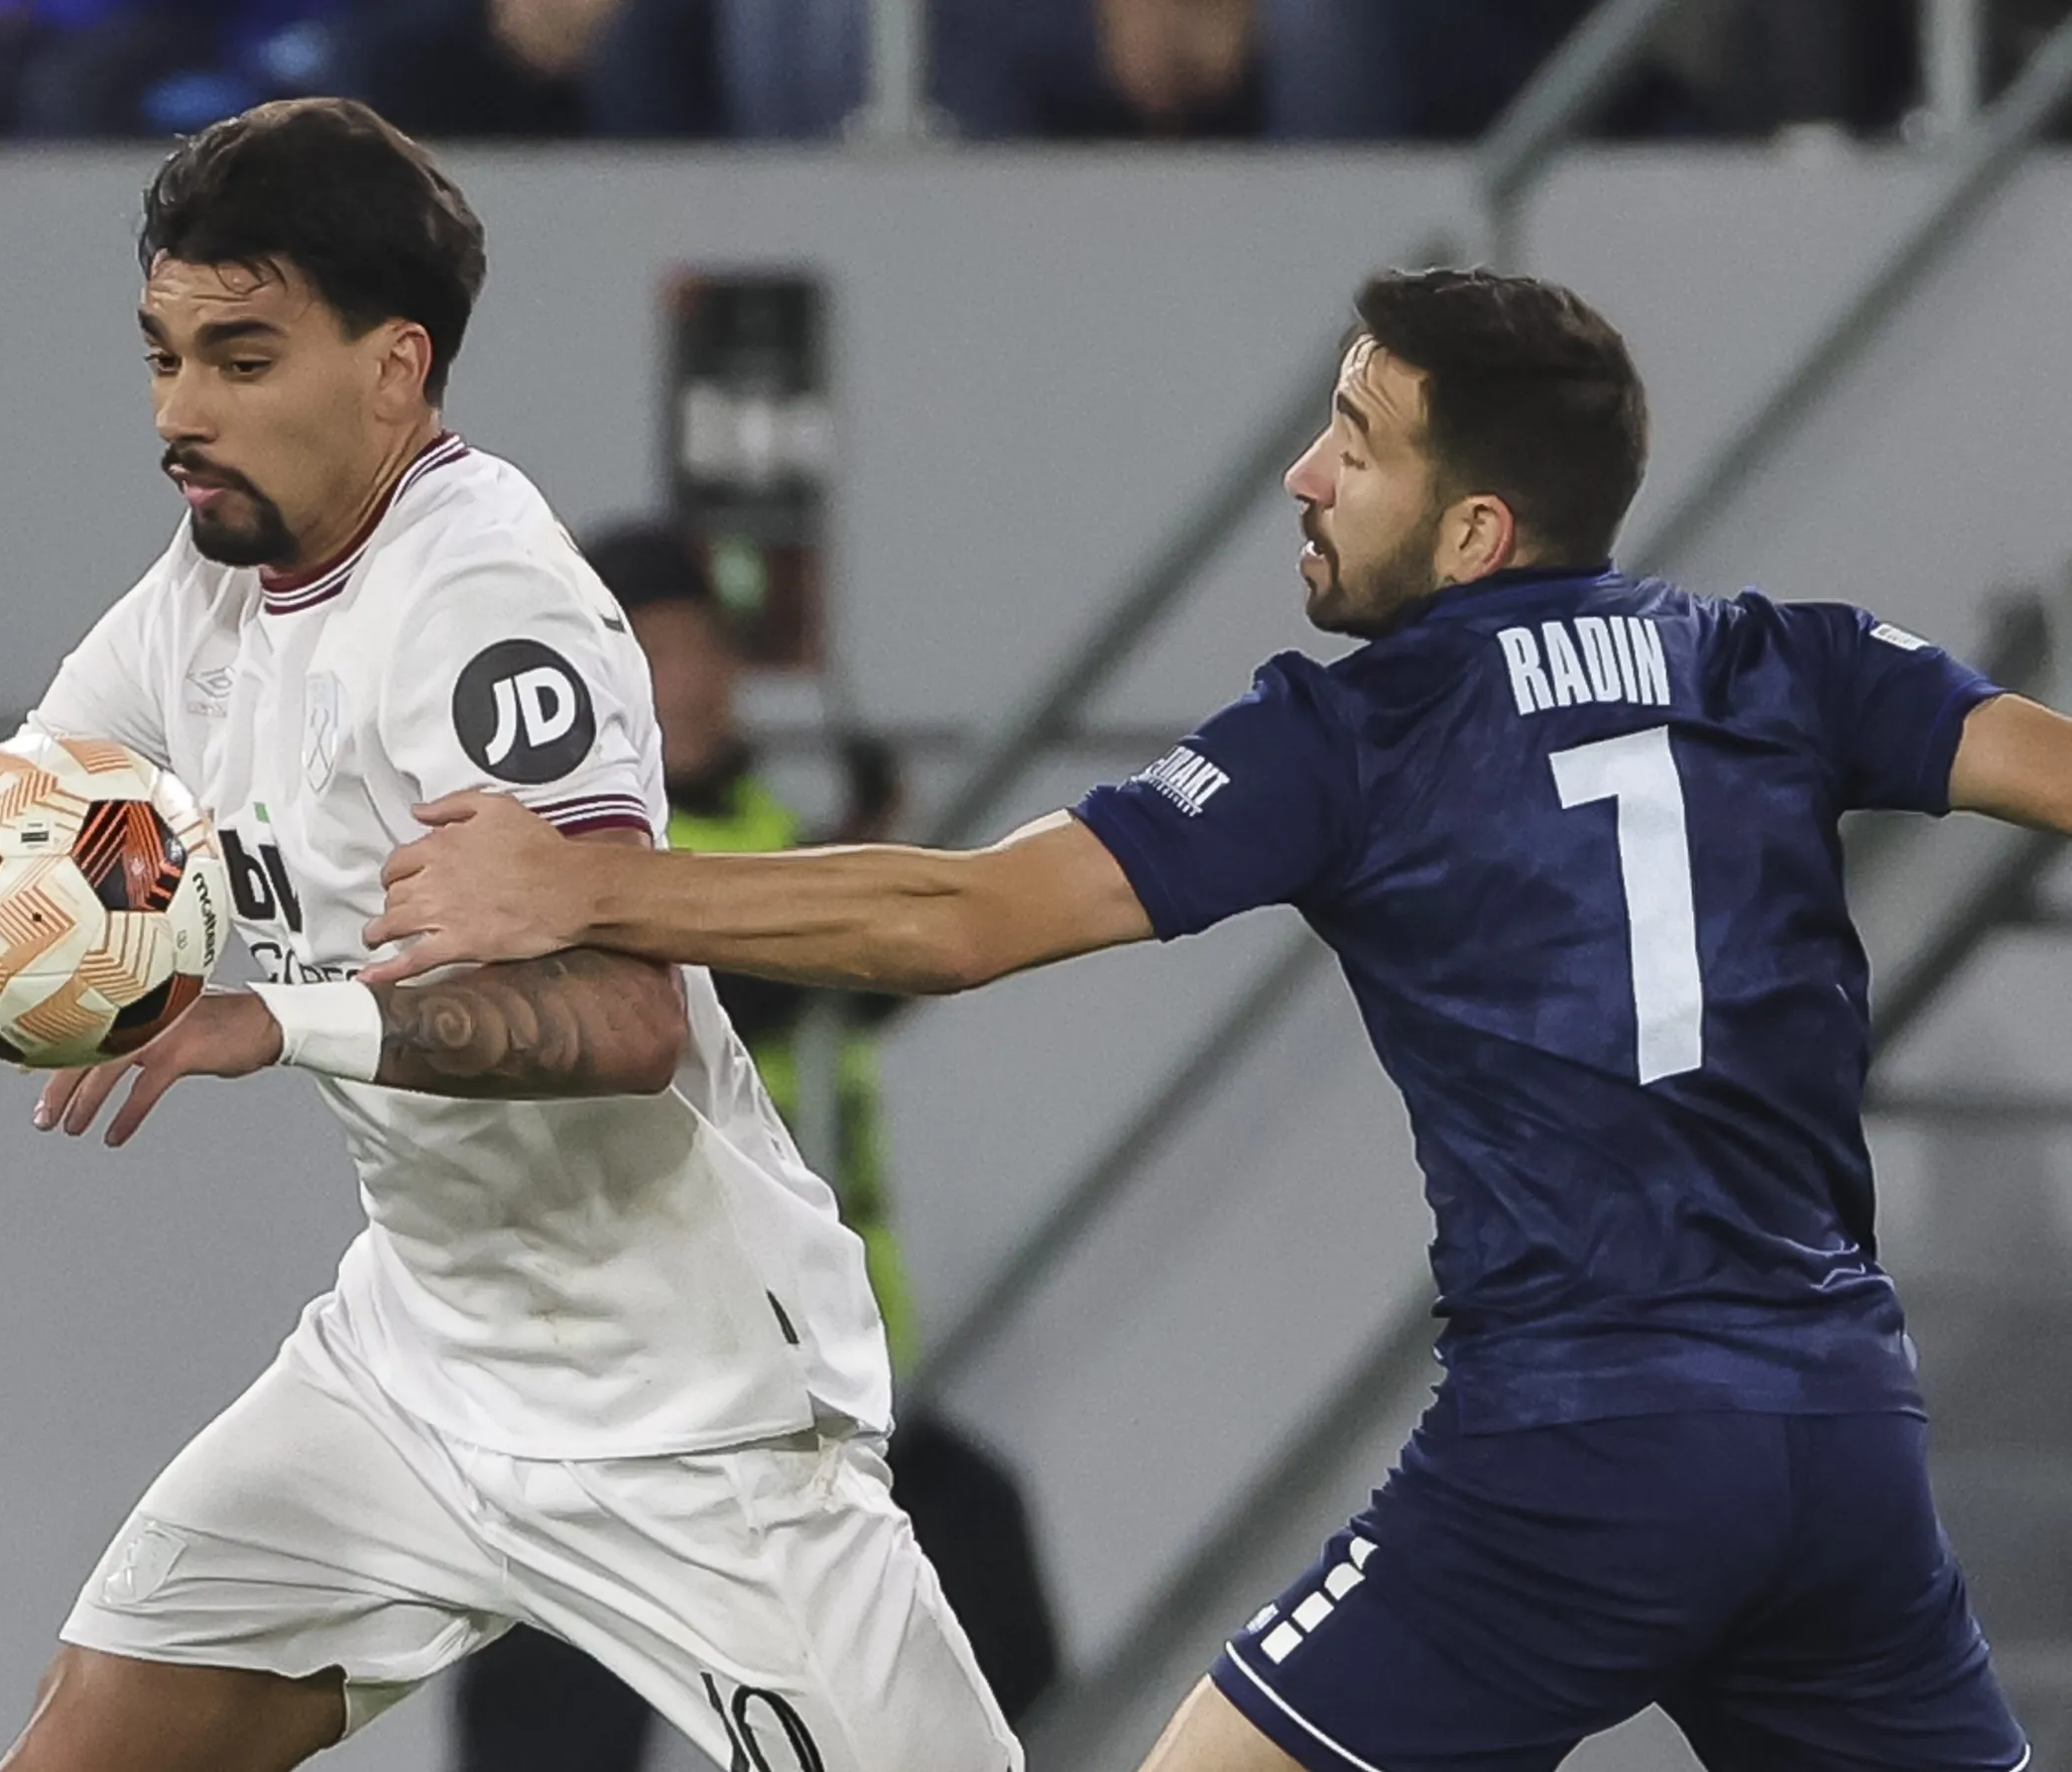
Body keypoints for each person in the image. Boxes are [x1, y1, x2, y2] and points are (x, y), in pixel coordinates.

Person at [369, 267, 2060, 1772]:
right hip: (1839, 1432)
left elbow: (961, 919)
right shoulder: (1785, 659)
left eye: (1354, 444)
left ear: (1472, 532)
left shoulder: (1358, 731)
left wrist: (582, 884)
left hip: (1577, 1444)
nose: (1301, 473)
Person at [0, 98, 1021, 1772]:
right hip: (413, 1364)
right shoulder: (201, 596)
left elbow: (622, 1017)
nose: (178, 412)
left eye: (240, 358)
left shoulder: (482, 603)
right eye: (162, 356)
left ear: (392, 367)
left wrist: (273, 1017)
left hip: (686, 1407)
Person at [447, 523, 1060, 1772]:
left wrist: (873, 857)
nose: (692, 679)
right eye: (654, 651)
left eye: (704, 647)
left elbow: (849, 984)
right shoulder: (579, 853)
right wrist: (858, 896)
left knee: (983, 1595)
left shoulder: (782, 833)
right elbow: (703, 982)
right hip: (642, 1378)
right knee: (561, 1681)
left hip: (823, 1370)